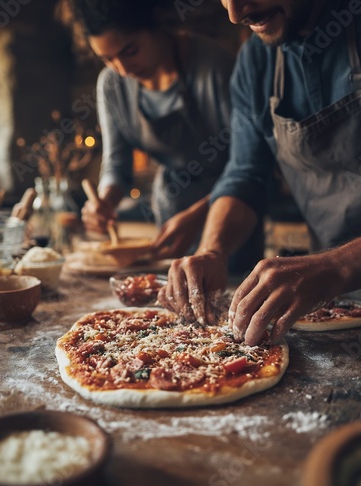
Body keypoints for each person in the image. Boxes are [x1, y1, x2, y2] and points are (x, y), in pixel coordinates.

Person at [159, 0, 361, 345]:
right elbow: (245, 174)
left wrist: (336, 266)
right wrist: (213, 250)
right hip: (333, 303)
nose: (236, 14)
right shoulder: (255, 61)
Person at [76, 0, 263, 274]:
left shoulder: (212, 67)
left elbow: (250, 165)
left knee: (232, 302)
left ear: (155, 27)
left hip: (232, 214)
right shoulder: (111, 85)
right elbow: (117, 164)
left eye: (130, 51)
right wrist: (105, 201)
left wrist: (199, 218)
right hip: (172, 210)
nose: (123, 69)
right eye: (107, 59)